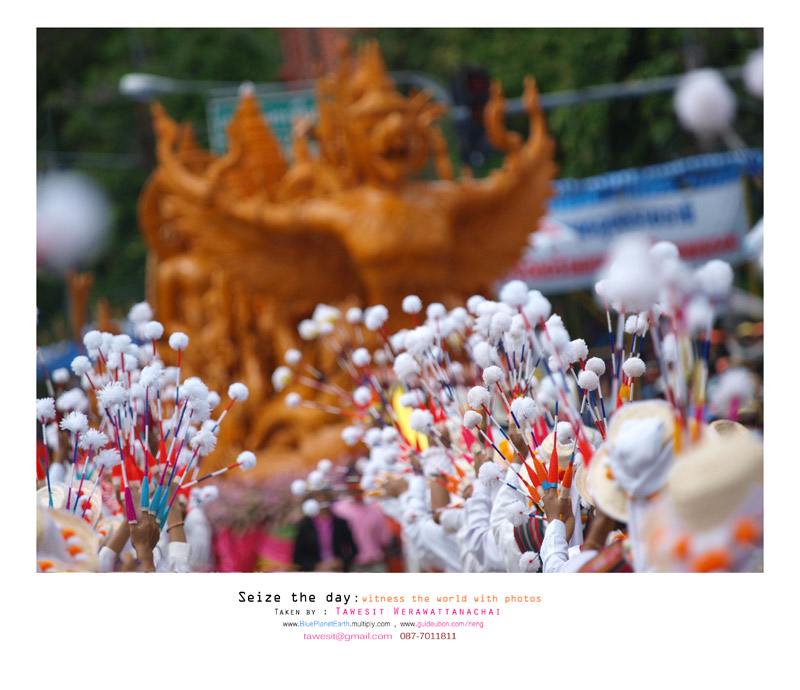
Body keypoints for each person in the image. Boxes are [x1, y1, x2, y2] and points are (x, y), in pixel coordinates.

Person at [333, 473, 392, 572]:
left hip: (375, 562)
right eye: (352, 486)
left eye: (358, 486)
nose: (356, 491)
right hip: (352, 564)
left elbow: (385, 539)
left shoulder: (376, 509)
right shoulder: (338, 509)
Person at [293, 489, 358, 572]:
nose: (322, 501)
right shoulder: (304, 525)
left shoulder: (341, 523)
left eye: (325, 498)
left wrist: (341, 562)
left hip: (337, 570)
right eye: (317, 498)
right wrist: (317, 565)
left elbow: (354, 549)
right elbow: (297, 556)